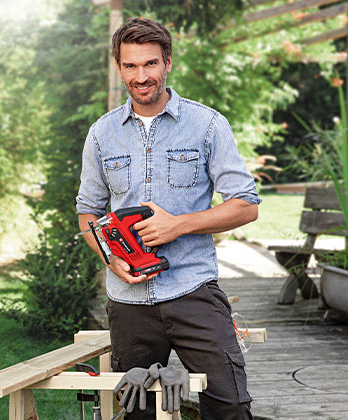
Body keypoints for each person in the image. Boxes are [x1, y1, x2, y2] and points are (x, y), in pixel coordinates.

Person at [76, 17, 260, 420]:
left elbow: (247, 203)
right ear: (119, 68)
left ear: (168, 63)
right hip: (128, 304)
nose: (141, 76)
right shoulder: (101, 134)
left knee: (229, 406)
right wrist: (111, 258)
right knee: (136, 412)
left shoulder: (207, 125)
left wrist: (178, 225)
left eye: (150, 64)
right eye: (130, 66)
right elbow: (87, 211)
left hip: (193, 290)